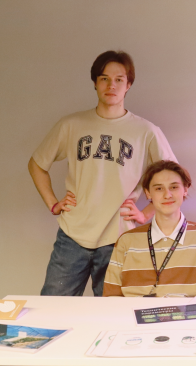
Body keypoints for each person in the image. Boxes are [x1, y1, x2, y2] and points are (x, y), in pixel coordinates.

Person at [28, 51, 176, 297]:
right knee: (53, 307)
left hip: (119, 239)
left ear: (128, 85)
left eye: (119, 79)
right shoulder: (71, 125)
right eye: (104, 78)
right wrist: (53, 203)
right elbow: (37, 164)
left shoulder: (146, 131)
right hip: (72, 236)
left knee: (115, 312)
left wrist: (145, 213)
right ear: (95, 82)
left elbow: (172, 178)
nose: (111, 85)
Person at [103, 161, 196, 297]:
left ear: (185, 189)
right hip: (134, 311)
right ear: (148, 193)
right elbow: (111, 297)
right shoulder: (126, 240)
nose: (167, 195)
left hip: (189, 311)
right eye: (159, 188)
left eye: (174, 187)